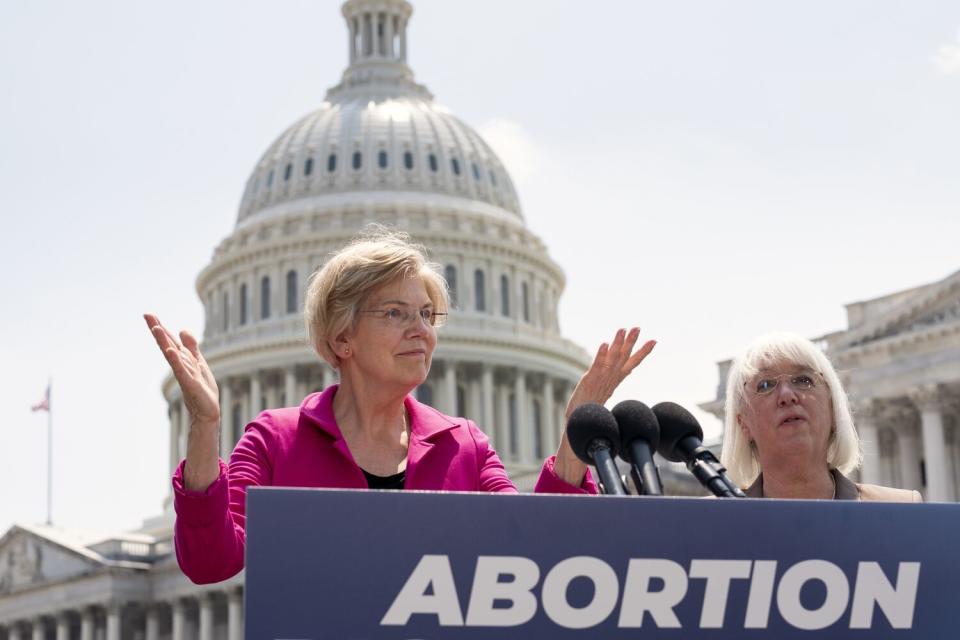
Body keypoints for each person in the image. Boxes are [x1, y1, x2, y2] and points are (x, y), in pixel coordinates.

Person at [146, 229, 655, 584]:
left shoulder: (464, 446)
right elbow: (210, 561)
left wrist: (573, 441)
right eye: (395, 313)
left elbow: (530, 552)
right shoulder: (278, 440)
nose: (421, 330)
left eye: (427, 315)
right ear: (341, 337)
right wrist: (206, 425)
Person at [720, 332, 921, 502]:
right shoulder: (713, 519)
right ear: (743, 423)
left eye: (803, 380)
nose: (787, 396)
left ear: (834, 409)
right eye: (765, 385)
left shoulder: (901, 508)